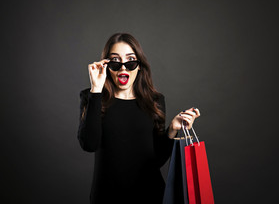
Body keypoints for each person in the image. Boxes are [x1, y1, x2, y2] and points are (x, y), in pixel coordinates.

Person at [78, 33, 201, 204]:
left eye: (130, 61)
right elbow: (89, 144)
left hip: (150, 195)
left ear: (139, 66)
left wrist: (172, 129)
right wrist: (96, 90)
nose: (123, 68)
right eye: (115, 61)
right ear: (106, 66)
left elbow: (155, 160)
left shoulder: (154, 102)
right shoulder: (92, 97)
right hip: (107, 197)